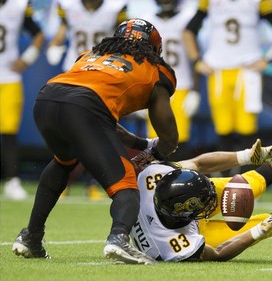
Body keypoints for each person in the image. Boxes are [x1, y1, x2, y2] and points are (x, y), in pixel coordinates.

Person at [11, 18, 179, 265]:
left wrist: (132, 139)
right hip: (85, 108)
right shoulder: (156, 71)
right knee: (126, 185)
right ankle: (118, 239)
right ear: (154, 47)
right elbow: (168, 138)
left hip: (47, 98)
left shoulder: (90, 54)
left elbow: (91, 93)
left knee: (63, 161)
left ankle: (31, 236)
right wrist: (154, 152)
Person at [129, 139, 272, 261]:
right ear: (185, 213)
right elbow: (220, 253)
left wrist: (246, 156)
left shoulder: (153, 175)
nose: (212, 201)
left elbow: (200, 164)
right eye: (204, 202)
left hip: (175, 211)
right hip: (179, 230)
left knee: (251, 182)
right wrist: (260, 231)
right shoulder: (175, 246)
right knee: (270, 222)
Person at [182, 0, 272, 173]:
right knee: (223, 129)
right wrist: (196, 61)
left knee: (247, 130)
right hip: (218, 71)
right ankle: (226, 178)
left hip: (246, 72)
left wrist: (267, 59)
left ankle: (247, 179)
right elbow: (189, 30)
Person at [46, 0, 128, 200]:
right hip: (74, 72)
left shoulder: (115, 8)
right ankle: (63, 181)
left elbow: (124, 40)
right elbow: (63, 31)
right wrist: (54, 45)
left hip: (103, 75)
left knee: (99, 132)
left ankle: (93, 183)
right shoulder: (68, 6)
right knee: (68, 131)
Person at [140, 0, 200, 161]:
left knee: (180, 139)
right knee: (154, 140)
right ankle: (158, 179)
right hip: (155, 86)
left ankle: (179, 179)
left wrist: (195, 90)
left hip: (182, 84)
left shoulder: (188, 18)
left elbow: (194, 55)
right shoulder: (146, 20)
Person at [0, 0, 45, 200]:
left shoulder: (18, 5)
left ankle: (12, 180)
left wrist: (27, 58)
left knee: (9, 131)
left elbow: (38, 34)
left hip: (8, 77)